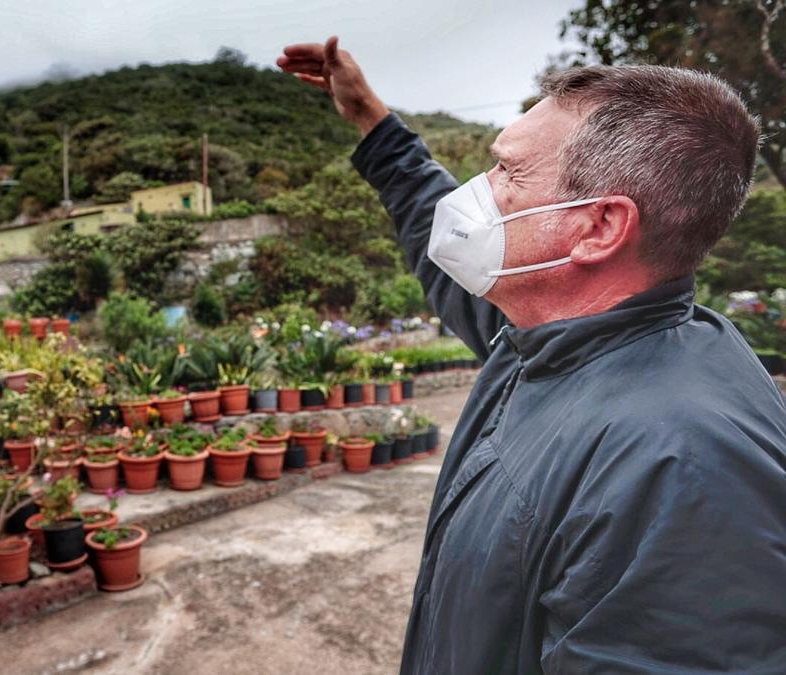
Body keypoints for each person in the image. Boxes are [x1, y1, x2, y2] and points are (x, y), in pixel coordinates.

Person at [279, 37, 786, 673]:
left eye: (507, 173)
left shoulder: (681, 465)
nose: (476, 194)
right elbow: (428, 226)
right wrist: (372, 122)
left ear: (599, 227)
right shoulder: (548, 334)